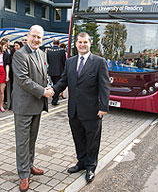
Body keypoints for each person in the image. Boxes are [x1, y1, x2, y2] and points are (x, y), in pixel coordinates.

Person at [52, 32, 110, 183]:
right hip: (74, 110)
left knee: (92, 140)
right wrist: (53, 90)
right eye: (80, 42)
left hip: (92, 111)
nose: (82, 45)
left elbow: (104, 86)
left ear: (90, 43)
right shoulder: (70, 62)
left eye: (85, 42)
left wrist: (103, 107)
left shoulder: (99, 61)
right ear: (76, 44)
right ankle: (81, 162)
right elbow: (63, 80)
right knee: (78, 139)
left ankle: (91, 166)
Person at [10, 25, 54, 192]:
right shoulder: (20, 55)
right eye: (34, 36)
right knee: (22, 142)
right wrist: (44, 91)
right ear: (27, 36)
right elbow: (22, 79)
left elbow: (44, 74)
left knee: (32, 139)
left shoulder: (42, 54)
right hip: (23, 106)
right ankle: (23, 175)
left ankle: (29, 165)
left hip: (36, 105)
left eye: (39, 38)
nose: (36, 40)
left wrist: (48, 85)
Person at [47, 38, 66, 105]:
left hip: (51, 71)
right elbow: (64, 61)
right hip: (60, 71)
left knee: (54, 85)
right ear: (59, 43)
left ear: (53, 43)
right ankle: (54, 100)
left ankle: (54, 99)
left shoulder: (49, 50)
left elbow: (48, 61)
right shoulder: (62, 50)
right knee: (57, 86)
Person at [0, 40, 10, 112]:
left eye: (6, 46)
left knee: (2, 91)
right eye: (5, 46)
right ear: (1, 45)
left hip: (2, 71)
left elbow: (7, 65)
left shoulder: (6, 54)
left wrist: (7, 75)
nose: (6, 48)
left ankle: (1, 106)